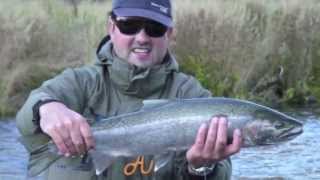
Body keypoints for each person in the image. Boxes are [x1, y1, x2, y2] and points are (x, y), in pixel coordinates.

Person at [16, 0, 242, 179]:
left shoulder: (192, 95)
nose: (142, 38)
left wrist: (201, 169)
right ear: (111, 27)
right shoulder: (81, 82)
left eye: (154, 28)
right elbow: (27, 115)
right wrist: (46, 108)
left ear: (169, 34)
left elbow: (222, 172)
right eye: (129, 25)